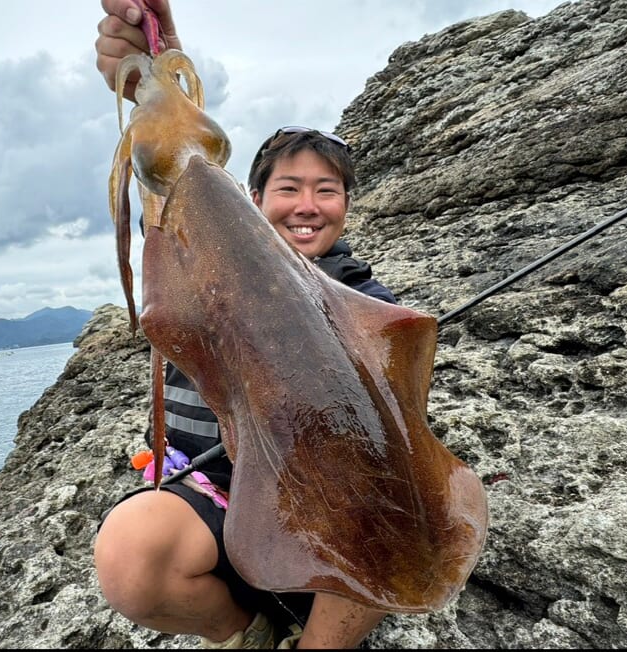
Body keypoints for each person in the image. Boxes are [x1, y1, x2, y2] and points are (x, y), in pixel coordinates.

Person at [93, 1, 396, 648]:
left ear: (346, 205)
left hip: (323, 506)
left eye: (328, 190)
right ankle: (248, 633)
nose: (308, 205)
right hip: (219, 492)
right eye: (288, 188)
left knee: (390, 510)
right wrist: (155, 75)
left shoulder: (367, 296)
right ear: (253, 200)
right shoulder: (203, 261)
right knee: (127, 555)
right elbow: (173, 179)